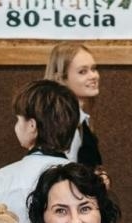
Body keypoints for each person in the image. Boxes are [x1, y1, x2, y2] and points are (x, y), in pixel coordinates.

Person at [0, 80, 80, 223]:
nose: (16, 126)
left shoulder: (3, 178)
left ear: (32, 126)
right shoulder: (82, 178)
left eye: (18, 119)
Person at [45, 41, 104, 172]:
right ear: (60, 79)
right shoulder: (63, 125)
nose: (93, 76)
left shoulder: (80, 120)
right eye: (83, 71)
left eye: (93, 69)